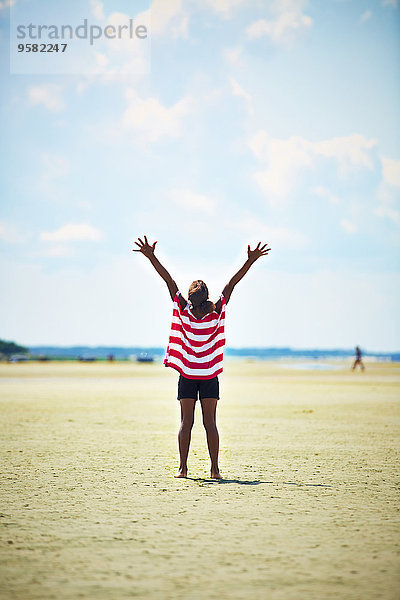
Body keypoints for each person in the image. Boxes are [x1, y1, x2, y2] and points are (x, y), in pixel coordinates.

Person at [133, 235, 271, 479]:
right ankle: (215, 470)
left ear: (189, 298)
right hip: (209, 375)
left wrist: (150, 256)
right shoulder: (216, 312)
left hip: (187, 374)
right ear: (207, 297)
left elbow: (168, 280)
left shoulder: (183, 311)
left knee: (186, 423)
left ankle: (183, 469)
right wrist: (250, 261)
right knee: (211, 423)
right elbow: (232, 284)